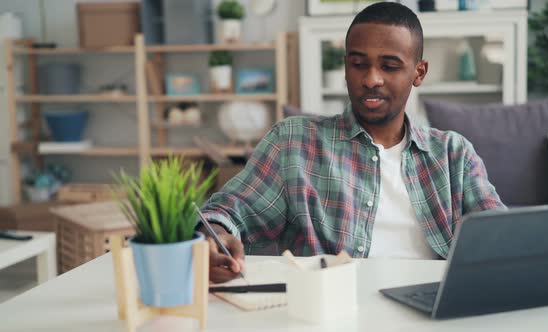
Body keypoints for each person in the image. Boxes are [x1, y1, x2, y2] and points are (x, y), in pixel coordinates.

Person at [198, 1, 505, 283]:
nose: (371, 78)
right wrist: (215, 237)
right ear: (346, 67)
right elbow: (228, 211)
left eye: (389, 66)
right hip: (333, 310)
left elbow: (502, 233)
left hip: (432, 308)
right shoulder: (294, 142)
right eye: (359, 64)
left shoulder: (453, 154)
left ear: (418, 72)